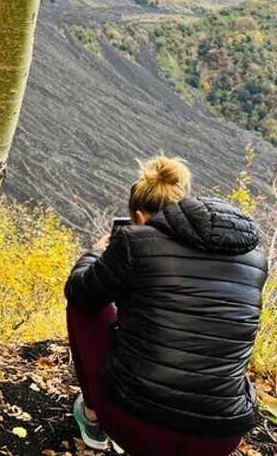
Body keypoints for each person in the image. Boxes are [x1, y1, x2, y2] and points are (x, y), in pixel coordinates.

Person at [64, 156, 268, 456]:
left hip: (142, 425)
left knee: (82, 304)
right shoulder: (255, 260)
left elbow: (80, 292)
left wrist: (95, 254)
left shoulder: (137, 243)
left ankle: (92, 417)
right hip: (221, 436)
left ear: (139, 217)